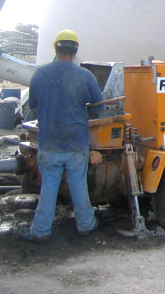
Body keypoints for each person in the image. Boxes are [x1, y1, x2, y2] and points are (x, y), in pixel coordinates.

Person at [19, 29, 104, 243]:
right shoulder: (85, 76)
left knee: (49, 187)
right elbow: (99, 108)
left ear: (55, 49)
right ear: (76, 50)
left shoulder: (40, 74)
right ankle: (86, 225)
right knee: (78, 184)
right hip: (76, 143)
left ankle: (40, 231)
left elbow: (34, 106)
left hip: (49, 143)